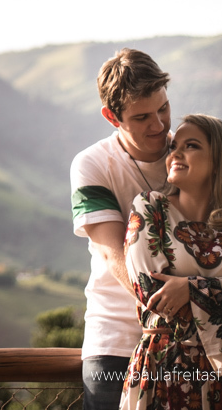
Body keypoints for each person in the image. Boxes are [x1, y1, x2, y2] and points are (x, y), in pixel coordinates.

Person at [121, 114, 222, 410]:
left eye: (191, 146)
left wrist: (191, 288)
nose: (175, 154)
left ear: (220, 161)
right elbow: (152, 293)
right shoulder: (149, 208)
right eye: (173, 146)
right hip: (167, 373)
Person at [71, 49, 174, 410]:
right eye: (142, 117)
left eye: (163, 108)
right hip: (115, 337)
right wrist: (169, 305)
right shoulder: (92, 164)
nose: (159, 125)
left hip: (193, 337)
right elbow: (110, 251)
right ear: (112, 116)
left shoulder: (196, 152)